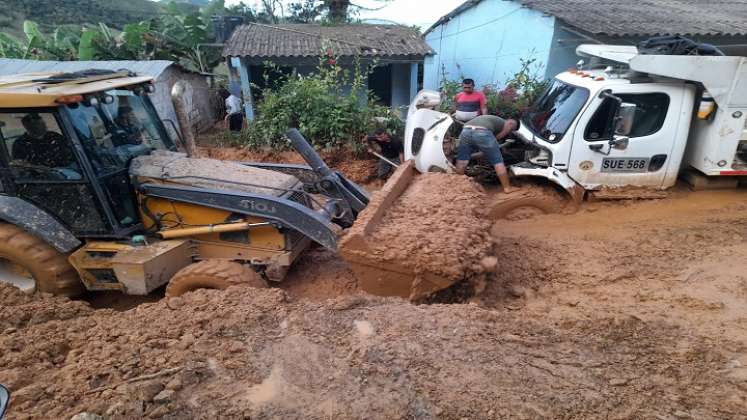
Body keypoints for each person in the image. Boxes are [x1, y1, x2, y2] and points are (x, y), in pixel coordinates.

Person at [455, 115, 518, 194]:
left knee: (462, 160)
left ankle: (456, 185)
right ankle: (507, 188)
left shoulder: (493, 119)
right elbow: (498, 137)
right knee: (498, 161)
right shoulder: (508, 124)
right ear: (512, 123)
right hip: (482, 132)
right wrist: (493, 148)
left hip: (465, 131)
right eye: (512, 130)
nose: (510, 131)